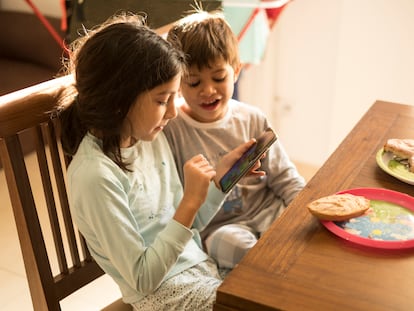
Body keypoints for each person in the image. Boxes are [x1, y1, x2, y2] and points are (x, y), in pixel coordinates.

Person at [57, 13, 262, 310]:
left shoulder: (148, 139)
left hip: (202, 273)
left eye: (172, 98)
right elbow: (142, 279)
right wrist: (190, 202)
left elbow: (188, 228)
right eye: (162, 100)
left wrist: (221, 181)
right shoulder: (95, 176)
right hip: (166, 298)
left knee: (283, 280)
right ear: (119, 99)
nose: (172, 113)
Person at [164, 10, 306, 270]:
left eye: (219, 78)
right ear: (178, 82)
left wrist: (305, 209)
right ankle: (273, 270)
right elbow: (174, 202)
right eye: (194, 83)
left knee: (302, 233)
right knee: (235, 247)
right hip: (220, 228)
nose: (208, 90)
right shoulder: (172, 130)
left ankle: (280, 265)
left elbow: (285, 176)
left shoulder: (252, 118)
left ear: (236, 71)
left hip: (268, 211)